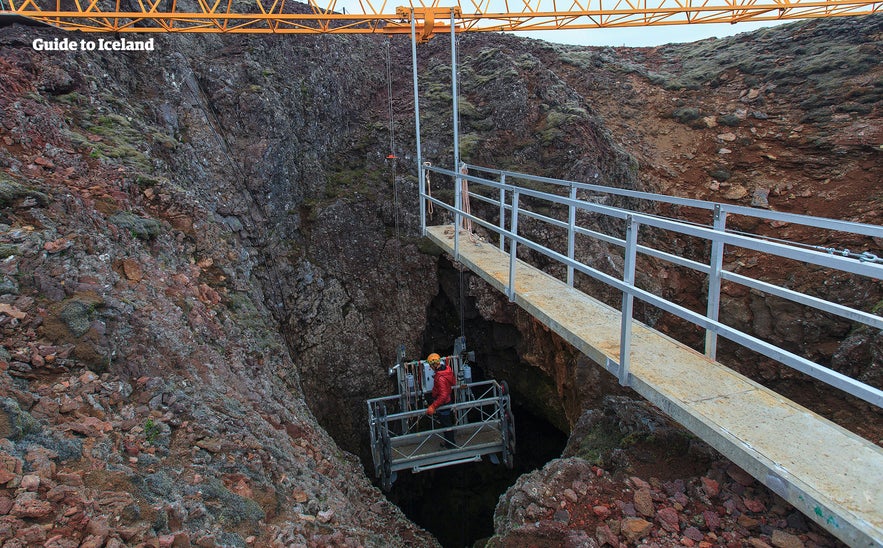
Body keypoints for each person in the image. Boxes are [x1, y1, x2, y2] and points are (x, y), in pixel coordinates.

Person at [425, 353, 456, 448]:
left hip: (443, 402)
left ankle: (450, 445)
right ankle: (449, 442)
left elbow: (443, 395)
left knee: (446, 425)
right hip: (447, 400)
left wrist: (433, 406)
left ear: (434, 365)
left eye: (430, 365)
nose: (430, 367)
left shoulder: (440, 378)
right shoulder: (446, 370)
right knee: (447, 423)